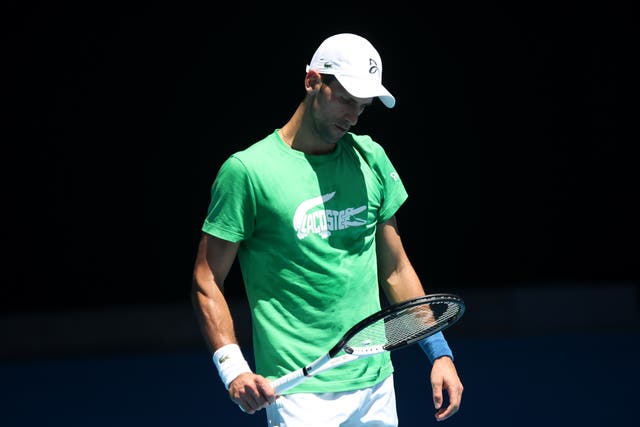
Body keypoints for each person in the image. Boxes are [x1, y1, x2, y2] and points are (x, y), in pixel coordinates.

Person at [191, 32, 464, 426]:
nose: (353, 116)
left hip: (376, 386)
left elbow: (396, 269)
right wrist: (233, 369)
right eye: (346, 100)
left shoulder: (371, 159)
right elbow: (207, 279)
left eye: (362, 106)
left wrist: (437, 351)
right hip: (298, 397)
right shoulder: (247, 172)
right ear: (313, 81)